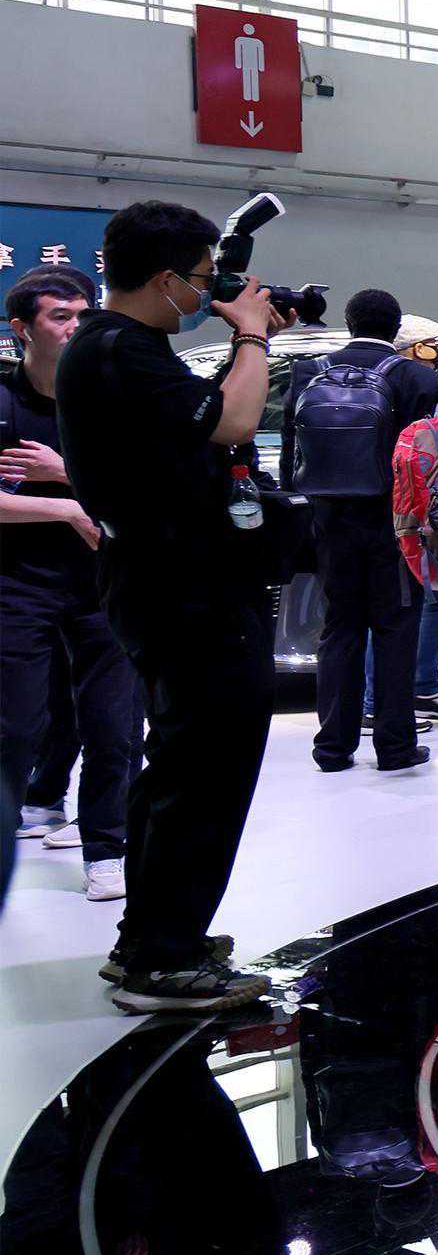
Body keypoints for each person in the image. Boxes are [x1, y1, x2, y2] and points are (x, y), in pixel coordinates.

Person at [55, 200, 285, 1013]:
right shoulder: (119, 350)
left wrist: (249, 340)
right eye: (200, 278)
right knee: (207, 772)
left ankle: (153, 936)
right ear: (163, 278)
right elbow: (236, 418)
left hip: (167, 580)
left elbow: (198, 426)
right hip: (185, 587)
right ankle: (164, 958)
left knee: (182, 766)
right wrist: (251, 337)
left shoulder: (121, 349)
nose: (207, 291)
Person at [0, 265, 142, 909]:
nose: (75, 327)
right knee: (15, 725)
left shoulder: (110, 399)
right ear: (22, 328)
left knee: (115, 727)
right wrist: (65, 508)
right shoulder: (4, 401)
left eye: (84, 315)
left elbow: (145, 488)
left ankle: (107, 850)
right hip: (18, 584)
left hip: (104, 584)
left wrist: (65, 475)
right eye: (60, 316)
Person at [284, 286, 438, 776]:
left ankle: (332, 747)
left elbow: (292, 452)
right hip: (394, 524)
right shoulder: (418, 378)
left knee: (339, 629)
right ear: (396, 329)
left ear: (349, 324)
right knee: (395, 630)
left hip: (330, 521)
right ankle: (395, 746)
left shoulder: (309, 373)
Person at [392, 313, 438, 725]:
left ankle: (391, 695)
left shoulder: (370, 379)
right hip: (421, 506)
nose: (436, 354)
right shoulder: (427, 386)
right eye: (432, 346)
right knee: (432, 599)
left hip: (390, 505)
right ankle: (416, 688)